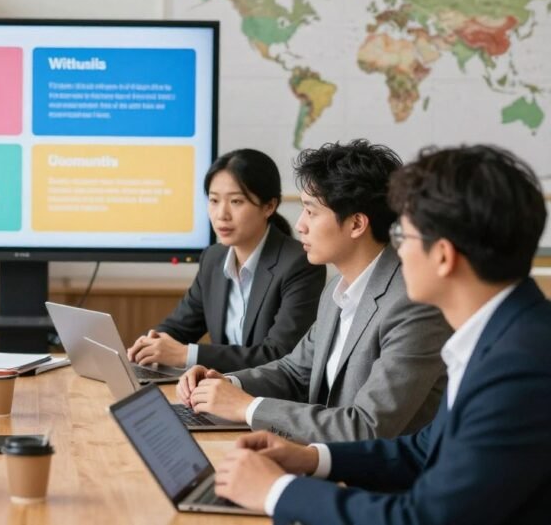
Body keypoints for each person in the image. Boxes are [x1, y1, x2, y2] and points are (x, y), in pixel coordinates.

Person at [215, 144, 551, 524]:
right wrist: (312, 458)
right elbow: (424, 451)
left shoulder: (520, 366)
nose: (397, 252)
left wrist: (276, 491)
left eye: (403, 237)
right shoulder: (499, 336)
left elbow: (424, 518)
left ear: (443, 256)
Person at [177, 140, 451, 443]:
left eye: (311, 211)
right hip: (324, 459)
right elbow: (295, 372)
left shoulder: (414, 304)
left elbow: (366, 427)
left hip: (382, 481)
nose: (300, 225)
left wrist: (247, 407)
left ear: (357, 223)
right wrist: (225, 384)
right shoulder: (338, 288)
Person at [127, 149, 326, 372]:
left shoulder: (299, 264)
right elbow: (180, 326)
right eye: (213, 200)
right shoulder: (213, 258)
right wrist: (150, 343)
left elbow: (279, 354)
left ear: (269, 206)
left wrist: (186, 354)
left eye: (236, 201)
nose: (221, 214)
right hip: (215, 391)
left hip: (267, 399)